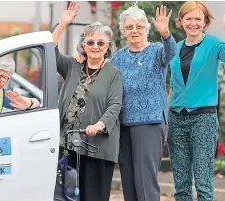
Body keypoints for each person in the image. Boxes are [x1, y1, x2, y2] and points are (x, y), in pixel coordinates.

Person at [74, 4, 176, 201]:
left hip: (149, 123)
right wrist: (82, 57)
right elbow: (101, 75)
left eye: (138, 26)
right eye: (129, 27)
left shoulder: (156, 51)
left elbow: (170, 53)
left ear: (146, 29)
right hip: (123, 125)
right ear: (124, 31)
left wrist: (165, 34)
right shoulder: (119, 57)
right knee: (129, 181)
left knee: (145, 182)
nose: (134, 31)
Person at [167, 1, 225, 201]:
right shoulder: (176, 48)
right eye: (188, 18)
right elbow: (173, 85)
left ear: (205, 22)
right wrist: (166, 116)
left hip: (203, 119)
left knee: (203, 182)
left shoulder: (213, 44)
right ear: (181, 22)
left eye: (198, 19)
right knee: (181, 184)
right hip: (176, 119)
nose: (193, 23)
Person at [52, 2, 123, 201]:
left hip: (96, 146)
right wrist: (63, 24)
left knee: (94, 196)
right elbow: (50, 51)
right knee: (65, 195)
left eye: (100, 43)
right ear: (83, 44)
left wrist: (100, 124)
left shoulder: (114, 74)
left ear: (107, 47)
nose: (95, 47)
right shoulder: (73, 65)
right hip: (66, 143)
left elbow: (115, 104)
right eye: (90, 42)